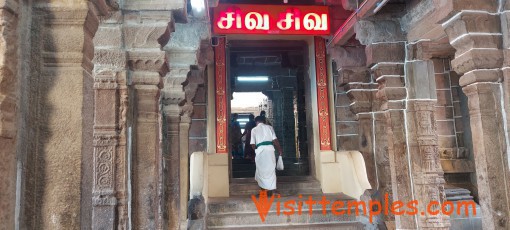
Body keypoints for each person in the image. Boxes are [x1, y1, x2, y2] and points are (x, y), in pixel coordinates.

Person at [250, 116, 283, 195]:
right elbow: (275, 140)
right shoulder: (270, 128)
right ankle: (273, 190)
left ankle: (263, 191)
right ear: (264, 121)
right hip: (270, 150)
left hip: (260, 151)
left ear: (256, 122)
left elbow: (252, 144)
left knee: (260, 170)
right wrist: (280, 150)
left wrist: (256, 150)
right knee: (271, 169)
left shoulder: (254, 129)